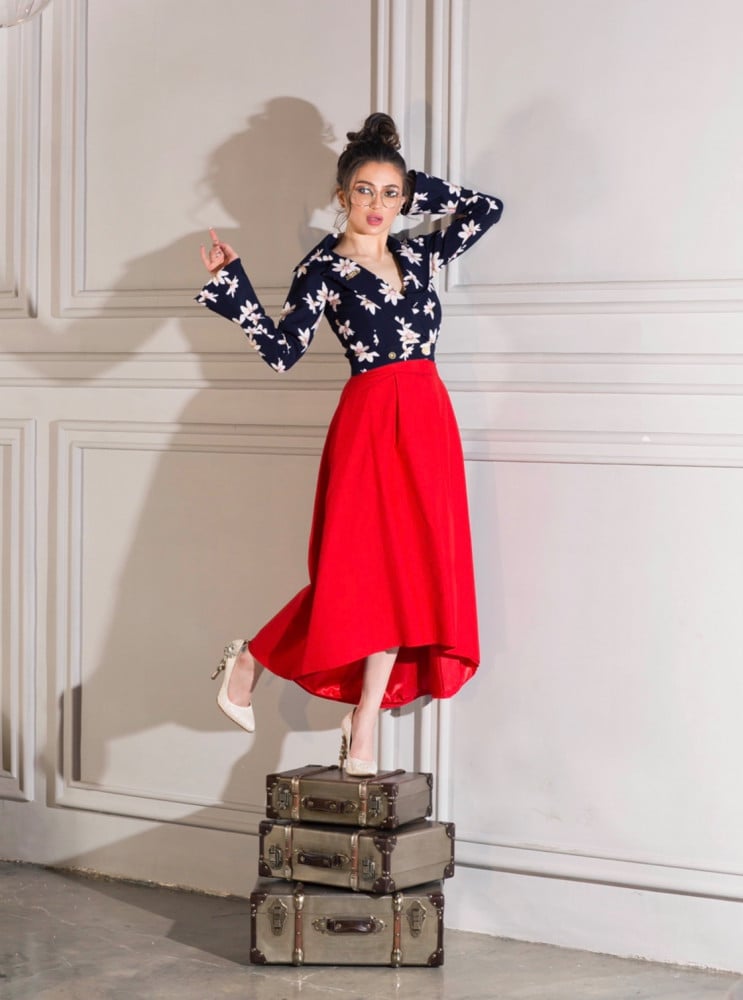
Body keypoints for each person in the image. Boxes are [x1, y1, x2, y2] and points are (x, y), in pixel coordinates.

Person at [197, 112, 503, 776]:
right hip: (369, 424)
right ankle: (255, 658)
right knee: (361, 574)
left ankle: (363, 721)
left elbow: (487, 209)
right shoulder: (323, 268)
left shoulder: (419, 252)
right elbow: (282, 352)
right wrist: (234, 286)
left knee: (411, 574)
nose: (378, 206)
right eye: (365, 191)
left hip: (427, 419)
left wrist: (412, 186)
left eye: (391, 194)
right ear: (341, 196)